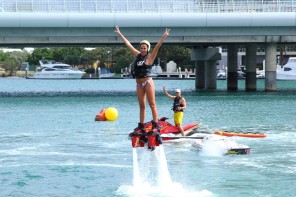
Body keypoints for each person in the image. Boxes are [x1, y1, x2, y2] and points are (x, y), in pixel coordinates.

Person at [115, 26, 170, 133]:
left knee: (152, 104)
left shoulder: (150, 57)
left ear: (148, 48)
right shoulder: (137, 55)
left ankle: (156, 125)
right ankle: (141, 125)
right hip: (139, 84)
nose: (143, 49)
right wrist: (119, 33)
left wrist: (163, 37)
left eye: (145, 48)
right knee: (142, 105)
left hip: (148, 82)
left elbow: (157, 47)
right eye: (141, 48)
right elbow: (128, 44)